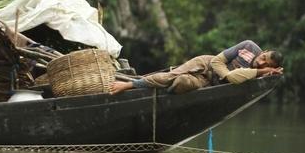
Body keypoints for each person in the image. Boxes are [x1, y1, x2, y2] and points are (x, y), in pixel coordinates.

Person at [110, 43, 283, 95]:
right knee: (173, 75)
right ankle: (128, 85)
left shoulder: (260, 76)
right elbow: (217, 61)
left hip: (207, 83)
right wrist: (228, 75)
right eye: (263, 58)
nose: (261, 63)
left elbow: (237, 78)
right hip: (205, 63)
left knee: (181, 82)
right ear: (264, 51)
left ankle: (158, 92)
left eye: (266, 65)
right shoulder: (249, 46)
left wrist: (262, 73)